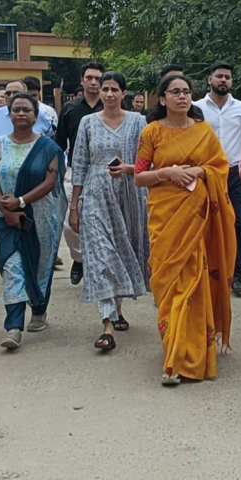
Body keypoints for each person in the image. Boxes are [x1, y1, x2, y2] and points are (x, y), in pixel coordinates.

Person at [135, 73, 235, 385]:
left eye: (186, 91)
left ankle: (182, 360)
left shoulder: (204, 131)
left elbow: (220, 167)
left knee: (193, 282)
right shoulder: (151, 132)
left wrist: (195, 171)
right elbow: (139, 176)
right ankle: (175, 349)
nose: (182, 96)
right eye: (174, 92)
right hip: (165, 218)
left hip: (197, 217)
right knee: (169, 284)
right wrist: (166, 173)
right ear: (162, 99)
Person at [69, 71, 150, 350]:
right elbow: (79, 162)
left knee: (123, 250)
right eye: (105, 89)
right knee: (101, 254)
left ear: (124, 93)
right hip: (94, 194)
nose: (109, 94)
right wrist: (74, 206)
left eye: (115, 89)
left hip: (130, 194)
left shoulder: (139, 121)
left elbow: (147, 160)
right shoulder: (87, 123)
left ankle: (117, 309)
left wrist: (128, 169)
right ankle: (106, 324)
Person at [0, 93, 67, 350]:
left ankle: (40, 307)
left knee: (40, 267)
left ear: (36, 116)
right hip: (4, 219)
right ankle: (13, 327)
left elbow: (49, 182)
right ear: (9, 114)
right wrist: (7, 210)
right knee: (12, 268)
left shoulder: (49, 148)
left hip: (39, 217)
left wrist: (20, 202)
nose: (21, 114)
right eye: (16, 110)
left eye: (26, 110)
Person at [193, 62, 241, 296]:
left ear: (232, 81)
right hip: (205, 173)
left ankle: (236, 274)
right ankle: (207, 271)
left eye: (227, 77)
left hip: (235, 172)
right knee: (205, 222)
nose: (223, 80)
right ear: (210, 79)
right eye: (219, 76)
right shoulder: (196, 108)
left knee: (239, 222)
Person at [56, 62, 106, 286]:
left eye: (98, 78)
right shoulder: (70, 109)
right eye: (90, 78)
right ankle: (79, 259)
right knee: (70, 223)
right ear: (82, 80)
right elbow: (59, 143)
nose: (94, 82)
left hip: (105, 172)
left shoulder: (112, 106)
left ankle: (100, 267)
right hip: (75, 171)